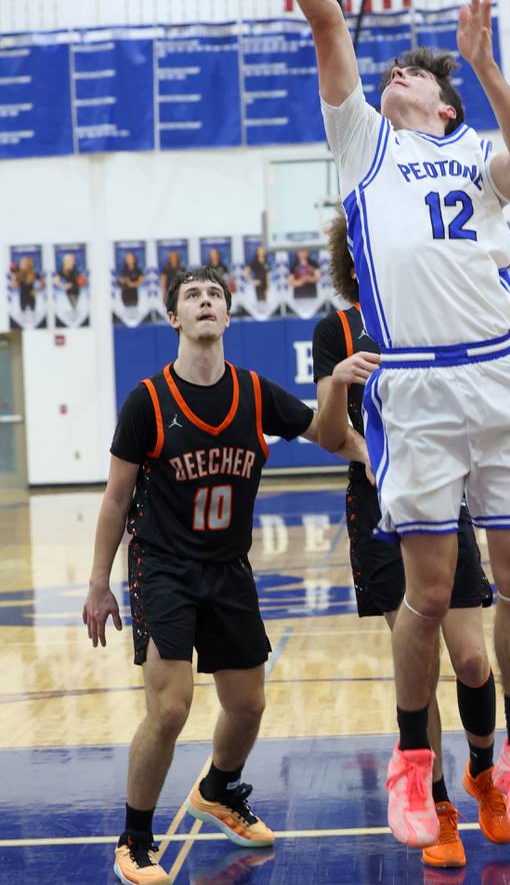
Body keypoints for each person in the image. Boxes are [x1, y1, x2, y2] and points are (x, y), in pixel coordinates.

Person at [257, 0, 510, 849]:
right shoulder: (361, 141)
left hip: (496, 371)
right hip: (419, 391)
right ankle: (412, 763)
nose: (392, 74)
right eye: (393, 71)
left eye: (416, 76)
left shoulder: (472, 151)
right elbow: (327, 16)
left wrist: (482, 63)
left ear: (441, 105)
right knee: (427, 596)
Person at [312, 215, 510, 867]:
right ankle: (436, 806)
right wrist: (343, 393)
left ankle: (485, 772)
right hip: (378, 506)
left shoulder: (444, 307)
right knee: (423, 663)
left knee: (471, 660)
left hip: (442, 496)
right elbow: (324, 434)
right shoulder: (335, 330)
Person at [82, 266, 364, 885]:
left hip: (229, 566)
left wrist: (339, 388)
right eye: (193, 297)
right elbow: (113, 499)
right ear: (175, 319)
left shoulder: (254, 391)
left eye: (214, 296)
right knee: (172, 706)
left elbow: (325, 435)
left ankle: (217, 791)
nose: (205, 302)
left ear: (228, 317)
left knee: (247, 704)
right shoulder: (148, 401)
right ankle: (134, 839)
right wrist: (99, 580)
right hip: (163, 567)